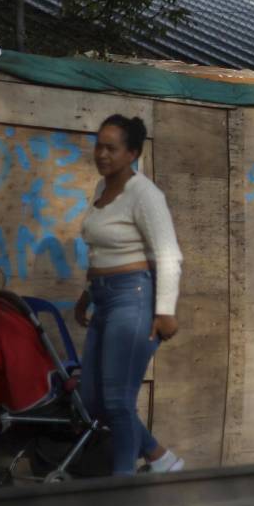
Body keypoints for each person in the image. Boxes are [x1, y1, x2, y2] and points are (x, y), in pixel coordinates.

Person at [75, 114, 184, 475]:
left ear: (133, 153)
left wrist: (164, 311)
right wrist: (87, 294)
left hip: (133, 297)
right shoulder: (101, 190)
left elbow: (168, 254)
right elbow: (103, 252)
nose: (102, 154)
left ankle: (122, 490)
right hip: (104, 297)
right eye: (99, 145)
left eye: (112, 148)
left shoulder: (145, 195)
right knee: (92, 400)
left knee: (118, 402)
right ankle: (160, 458)